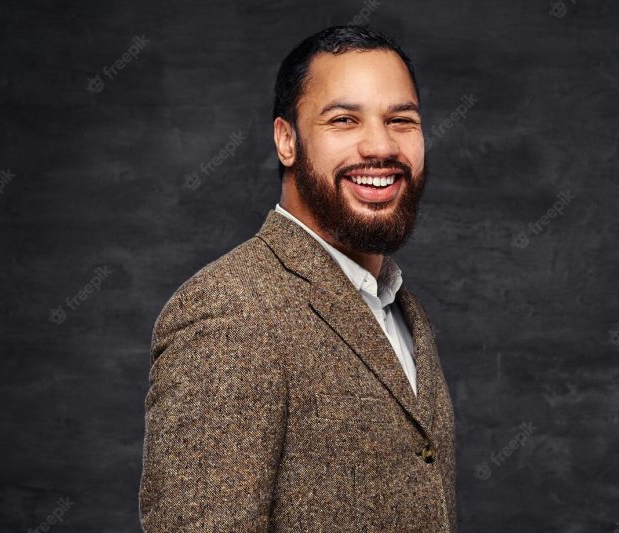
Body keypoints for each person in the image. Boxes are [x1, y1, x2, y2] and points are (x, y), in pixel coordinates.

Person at [139, 24, 456, 532]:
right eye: (344, 120)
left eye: (401, 120)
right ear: (287, 141)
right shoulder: (230, 310)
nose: (380, 145)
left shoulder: (398, 305)